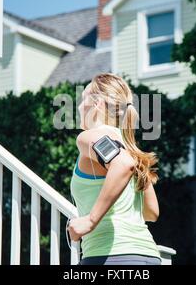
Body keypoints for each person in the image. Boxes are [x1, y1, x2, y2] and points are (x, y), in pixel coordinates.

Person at [66, 73, 162, 265]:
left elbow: (121, 164)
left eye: (83, 98)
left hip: (111, 257)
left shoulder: (88, 137)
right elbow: (151, 212)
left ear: (97, 104)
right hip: (148, 256)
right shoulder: (131, 152)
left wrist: (90, 220)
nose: (78, 106)